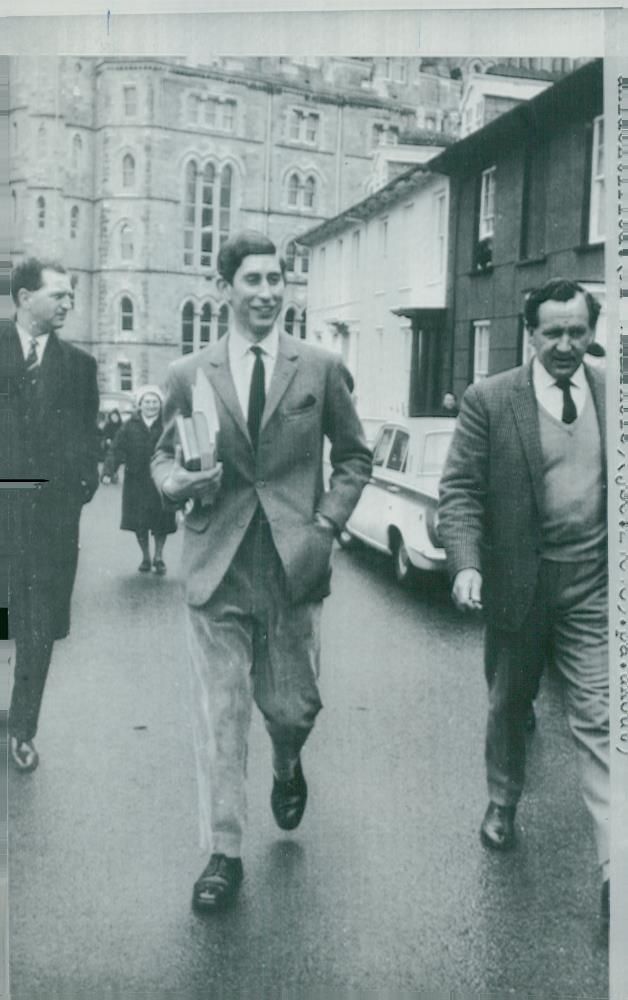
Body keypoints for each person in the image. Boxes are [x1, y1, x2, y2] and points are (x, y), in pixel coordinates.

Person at [151, 231, 372, 912]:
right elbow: (161, 461)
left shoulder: (321, 367)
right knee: (220, 714)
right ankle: (222, 853)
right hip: (216, 566)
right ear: (226, 289)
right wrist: (179, 482)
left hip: (291, 571)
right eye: (253, 280)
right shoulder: (190, 373)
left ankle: (286, 758)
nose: (268, 292)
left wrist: (328, 525)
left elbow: (356, 457)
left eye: (277, 279)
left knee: (291, 709)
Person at [438, 278, 610, 933]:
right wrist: (467, 566)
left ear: (590, 331)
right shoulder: (490, 400)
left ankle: (613, 874)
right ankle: (502, 800)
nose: (565, 345)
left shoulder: (611, 392)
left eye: (577, 331)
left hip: (592, 584)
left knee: (601, 722)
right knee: (511, 703)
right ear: (530, 333)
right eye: (552, 332)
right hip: (518, 587)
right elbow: (459, 491)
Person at [1, 257, 99, 772]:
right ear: (22, 298)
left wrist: (80, 486)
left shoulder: (79, 367)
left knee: (37, 631)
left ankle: (22, 728)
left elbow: (89, 441)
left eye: (70, 296)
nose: (68, 303)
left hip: (50, 529)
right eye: (58, 294)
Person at [102, 385, 176, 574]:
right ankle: (145, 556)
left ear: (161, 405)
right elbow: (116, 449)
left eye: (155, 402)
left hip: (161, 479)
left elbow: (177, 447)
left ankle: (159, 557)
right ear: (140, 404)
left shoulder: (168, 424)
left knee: (162, 520)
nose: (151, 406)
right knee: (139, 521)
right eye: (147, 402)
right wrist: (108, 471)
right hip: (137, 479)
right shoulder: (129, 426)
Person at [100, 408, 123, 481]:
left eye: (116, 417)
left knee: (118, 460)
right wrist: (107, 439)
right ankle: (106, 475)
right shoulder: (108, 425)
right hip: (109, 446)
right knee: (110, 459)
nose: (114, 418)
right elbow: (104, 434)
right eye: (113, 417)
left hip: (119, 446)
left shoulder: (122, 425)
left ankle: (114, 473)